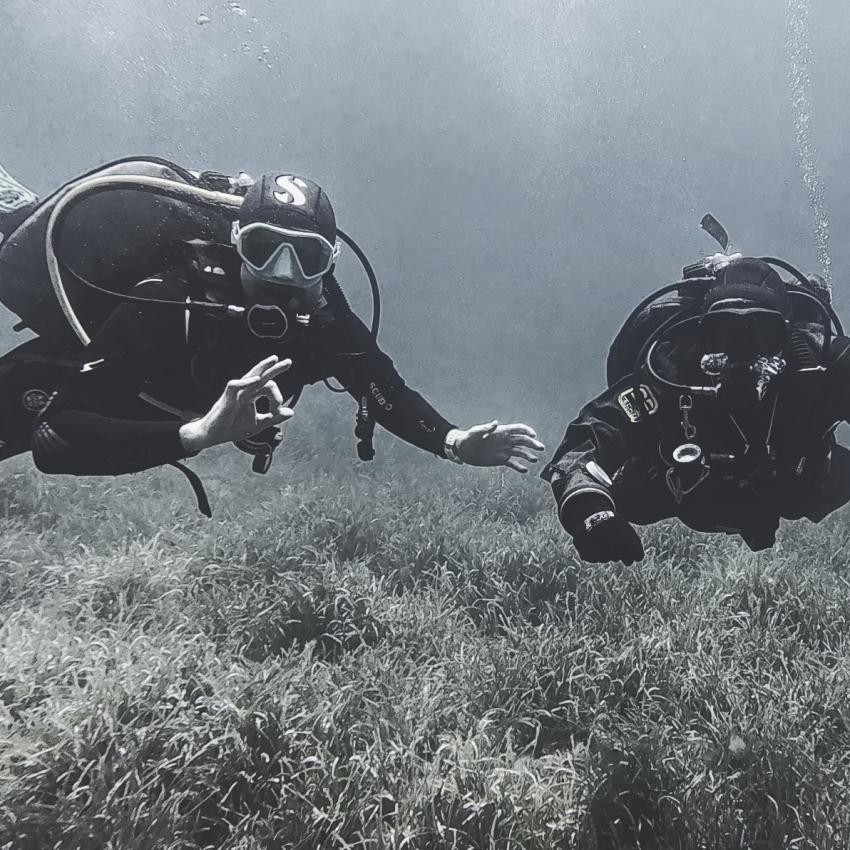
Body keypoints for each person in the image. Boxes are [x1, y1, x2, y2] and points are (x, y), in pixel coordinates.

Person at [0, 159, 544, 513]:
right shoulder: (171, 295)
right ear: (236, 242)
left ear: (327, 265)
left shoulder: (326, 320)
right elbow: (57, 439)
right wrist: (197, 435)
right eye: (265, 249)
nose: (283, 274)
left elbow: (383, 389)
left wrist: (453, 442)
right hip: (78, 355)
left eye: (305, 258)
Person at [542, 252, 850, 564]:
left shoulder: (820, 365)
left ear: (786, 336)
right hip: (685, 494)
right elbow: (595, 430)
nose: (741, 350)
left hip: (794, 487)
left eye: (761, 332)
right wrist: (589, 511)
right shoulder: (672, 369)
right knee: (631, 497)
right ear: (702, 335)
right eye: (723, 332)